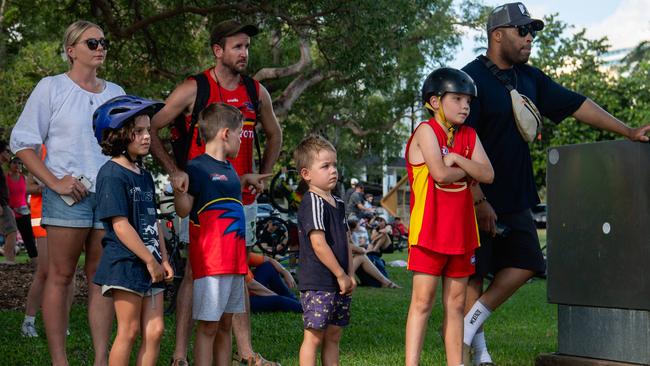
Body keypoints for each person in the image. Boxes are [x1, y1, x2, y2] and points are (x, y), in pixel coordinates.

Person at [460, 3, 650, 365]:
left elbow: (576, 104)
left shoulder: (530, 77)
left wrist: (627, 130)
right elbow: (461, 138)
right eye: (522, 30)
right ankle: (477, 354)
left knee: (529, 261)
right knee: (473, 277)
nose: (529, 38)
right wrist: (476, 195)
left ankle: (466, 330)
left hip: (515, 196)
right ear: (497, 34)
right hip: (477, 198)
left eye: (532, 31)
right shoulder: (470, 80)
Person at [149, 19, 282, 366]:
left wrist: (262, 175)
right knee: (195, 273)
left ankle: (247, 352)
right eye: (237, 47)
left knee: (239, 270)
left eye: (247, 47)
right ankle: (180, 354)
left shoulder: (256, 92)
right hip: (201, 203)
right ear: (218, 50)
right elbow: (152, 126)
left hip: (241, 202)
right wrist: (174, 170)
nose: (245, 53)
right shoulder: (195, 88)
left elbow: (275, 134)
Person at [10, 20, 125, 366]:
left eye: (103, 42)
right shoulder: (51, 88)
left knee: (100, 280)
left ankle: (101, 359)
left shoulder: (115, 93)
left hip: (108, 195)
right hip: (68, 198)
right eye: (92, 43)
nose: (100, 47)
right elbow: (23, 142)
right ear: (71, 50)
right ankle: (60, 361)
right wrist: (54, 181)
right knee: (60, 276)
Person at [404, 67, 494, 366]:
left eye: (468, 100)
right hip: (430, 231)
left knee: (456, 305)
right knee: (422, 303)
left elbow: (489, 174)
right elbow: (440, 175)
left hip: (462, 233)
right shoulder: (426, 130)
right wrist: (469, 169)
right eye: (457, 99)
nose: (465, 106)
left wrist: (458, 158)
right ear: (434, 101)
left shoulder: (469, 134)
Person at [173, 103, 269, 366]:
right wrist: (178, 187)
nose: (242, 139)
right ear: (225, 133)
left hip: (235, 264)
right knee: (208, 327)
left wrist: (246, 178)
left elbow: (223, 189)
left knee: (225, 325)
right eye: (240, 133)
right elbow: (184, 210)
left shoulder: (228, 169)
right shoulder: (196, 168)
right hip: (212, 265)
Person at [90, 95, 173, 365]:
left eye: (148, 130)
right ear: (119, 135)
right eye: (138, 131)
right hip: (125, 263)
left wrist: (163, 258)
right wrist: (149, 260)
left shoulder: (145, 175)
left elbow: (153, 219)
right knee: (130, 330)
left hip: (152, 262)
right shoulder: (112, 174)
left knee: (155, 331)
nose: (147, 136)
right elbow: (120, 224)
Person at [294, 135, 356, 366]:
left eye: (334, 165)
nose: (333, 171)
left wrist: (349, 274)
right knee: (314, 336)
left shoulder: (338, 203)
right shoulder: (313, 201)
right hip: (318, 283)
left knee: (334, 334)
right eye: (325, 166)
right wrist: (340, 274)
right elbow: (318, 243)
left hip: (340, 282)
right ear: (306, 174)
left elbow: (347, 240)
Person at [7, 157, 38, 260]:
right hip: (10, 212)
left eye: (20, 163)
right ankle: (10, 261)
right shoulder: (5, 178)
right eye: (15, 162)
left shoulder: (24, 178)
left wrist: (26, 205)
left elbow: (26, 195)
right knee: (10, 237)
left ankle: (35, 261)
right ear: (10, 164)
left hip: (24, 212)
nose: (17, 165)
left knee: (29, 238)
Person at [0, 142, 19, 265]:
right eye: (7, 151)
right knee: (11, 231)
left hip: (4, 204)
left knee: (10, 231)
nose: (9, 154)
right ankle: (9, 260)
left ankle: (9, 259)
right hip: (2, 204)